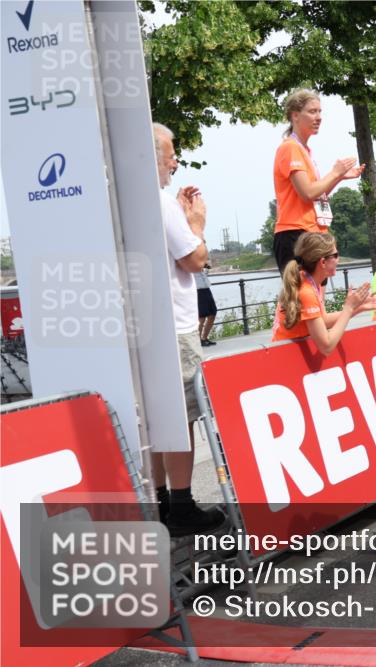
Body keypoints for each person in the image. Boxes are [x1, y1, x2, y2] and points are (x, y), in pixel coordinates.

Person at [152, 122, 225, 536]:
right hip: (177, 327)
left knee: (153, 420)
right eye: (171, 152)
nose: (176, 159)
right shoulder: (161, 202)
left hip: (145, 326)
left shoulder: (128, 198)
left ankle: (161, 500)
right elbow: (194, 259)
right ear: (153, 156)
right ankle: (182, 504)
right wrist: (195, 223)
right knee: (181, 417)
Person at [272, 89, 365, 273]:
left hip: (311, 233)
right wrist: (334, 172)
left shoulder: (304, 150)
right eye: (312, 111)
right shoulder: (290, 148)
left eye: (320, 111)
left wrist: (338, 177)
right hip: (296, 233)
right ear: (295, 115)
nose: (319, 117)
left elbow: (316, 194)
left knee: (314, 295)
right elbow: (307, 193)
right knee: (302, 297)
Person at [272, 233, 376, 354]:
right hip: (284, 355)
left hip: (287, 353)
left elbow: (323, 320)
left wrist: (359, 307)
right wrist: (348, 308)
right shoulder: (306, 291)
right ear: (323, 262)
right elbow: (326, 347)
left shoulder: (309, 279)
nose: (338, 260)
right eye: (336, 255)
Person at [195, 267, 217, 347]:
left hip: (207, 289)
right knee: (202, 317)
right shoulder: (191, 266)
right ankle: (198, 341)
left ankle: (204, 338)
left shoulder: (201, 266)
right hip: (197, 291)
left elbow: (208, 269)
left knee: (212, 314)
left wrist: (204, 267)